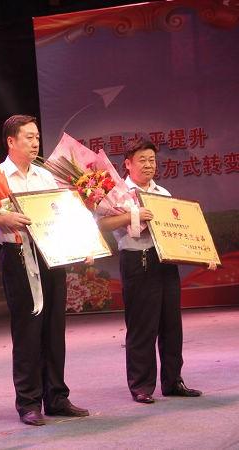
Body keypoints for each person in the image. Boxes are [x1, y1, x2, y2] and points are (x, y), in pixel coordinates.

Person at [0, 115, 89, 426]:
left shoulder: (45, 176)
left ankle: (57, 397)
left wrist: (83, 243)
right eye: (28, 137)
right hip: (18, 255)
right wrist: (2, 219)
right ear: (11, 141)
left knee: (54, 327)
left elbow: (62, 214)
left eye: (37, 136)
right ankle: (28, 402)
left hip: (52, 254)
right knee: (27, 330)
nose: (35, 142)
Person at [97, 138, 209, 404]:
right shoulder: (117, 193)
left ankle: (173, 381)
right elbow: (102, 224)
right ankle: (141, 385)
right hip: (138, 261)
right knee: (142, 326)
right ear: (128, 164)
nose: (148, 165)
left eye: (152, 160)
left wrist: (204, 254)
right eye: (142, 160)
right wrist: (133, 215)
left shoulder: (163, 192)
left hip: (165, 261)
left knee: (172, 325)